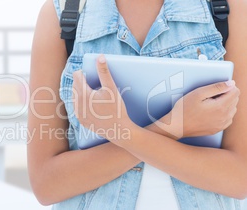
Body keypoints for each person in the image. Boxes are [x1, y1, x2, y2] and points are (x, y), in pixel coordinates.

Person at [27, 0, 247, 209]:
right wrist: (174, 125)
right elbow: (46, 184)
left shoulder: (227, 9)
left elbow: (240, 177)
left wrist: (124, 132)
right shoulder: (64, 13)